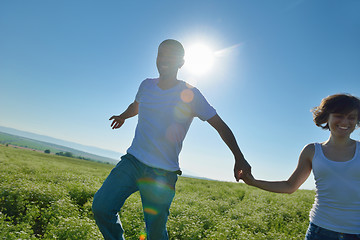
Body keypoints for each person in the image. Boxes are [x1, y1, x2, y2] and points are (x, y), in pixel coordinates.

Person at [92, 39, 251, 240]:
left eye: (171, 56)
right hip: (132, 162)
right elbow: (136, 105)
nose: (164, 59)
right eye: (160, 54)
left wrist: (239, 157)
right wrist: (123, 116)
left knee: (156, 234)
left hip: (163, 173)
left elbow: (221, 126)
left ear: (181, 63)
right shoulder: (146, 85)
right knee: (101, 207)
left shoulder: (191, 94)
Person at [242, 93, 360, 240]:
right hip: (319, 231)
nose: (345, 121)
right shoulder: (312, 151)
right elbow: (289, 186)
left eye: (351, 117)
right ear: (327, 117)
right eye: (339, 115)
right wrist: (253, 182)